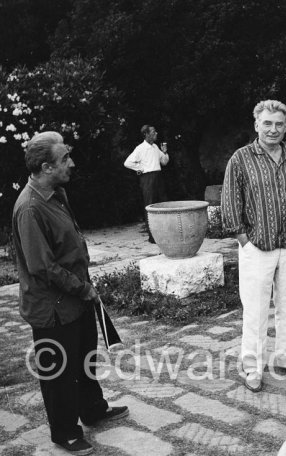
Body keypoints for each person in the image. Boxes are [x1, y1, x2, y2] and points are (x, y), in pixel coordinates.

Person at [12, 132, 128, 455]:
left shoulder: (57, 192)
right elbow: (42, 268)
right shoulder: (30, 208)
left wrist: (82, 287)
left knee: (84, 358)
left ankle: (92, 408)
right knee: (58, 372)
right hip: (52, 308)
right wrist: (83, 288)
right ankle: (64, 432)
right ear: (46, 167)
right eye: (64, 159)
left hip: (75, 299)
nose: (71, 163)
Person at [221, 100, 286, 393]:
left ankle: (284, 360)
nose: (273, 129)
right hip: (257, 246)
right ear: (256, 125)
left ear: (285, 126)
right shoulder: (241, 158)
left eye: (279, 124)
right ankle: (252, 368)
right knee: (256, 310)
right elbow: (230, 201)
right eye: (267, 123)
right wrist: (243, 239)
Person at [124, 125, 169, 243]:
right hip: (147, 178)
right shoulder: (140, 148)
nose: (156, 133)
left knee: (163, 204)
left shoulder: (155, 147)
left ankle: (164, 234)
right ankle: (153, 237)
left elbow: (164, 162)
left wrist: (165, 152)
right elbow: (127, 162)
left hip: (158, 177)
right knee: (150, 206)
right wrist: (141, 168)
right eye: (153, 132)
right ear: (146, 134)